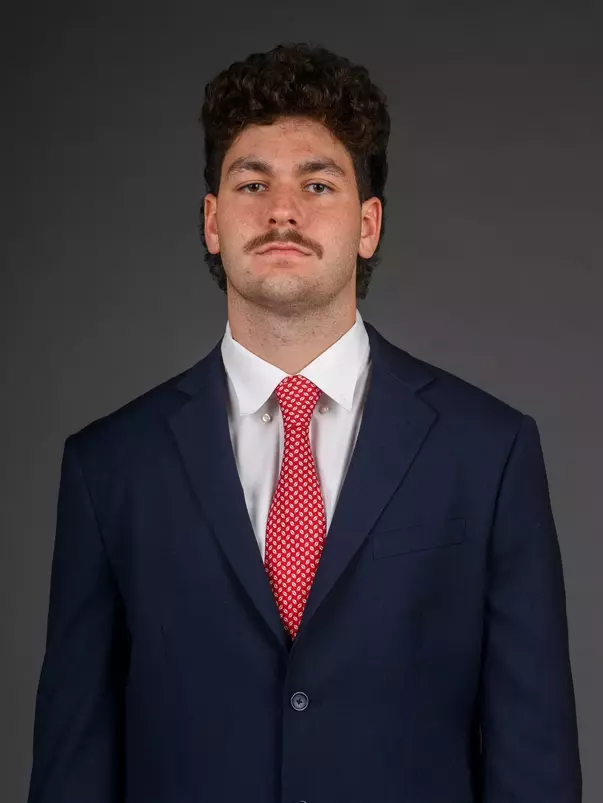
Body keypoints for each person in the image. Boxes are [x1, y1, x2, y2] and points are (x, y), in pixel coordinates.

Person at [27, 42, 582, 803]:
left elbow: (534, 758)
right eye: (252, 182)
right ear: (212, 221)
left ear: (367, 224)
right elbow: (73, 759)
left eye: (317, 183)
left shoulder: (487, 452)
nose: (282, 209)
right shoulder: (108, 466)